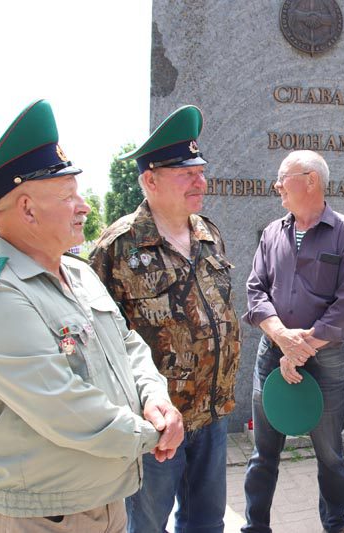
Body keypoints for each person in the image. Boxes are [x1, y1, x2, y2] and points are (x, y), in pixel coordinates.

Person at [0, 99, 183, 533]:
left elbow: (128, 345)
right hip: (37, 514)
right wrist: (155, 434)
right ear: (27, 209)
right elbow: (65, 407)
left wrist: (155, 398)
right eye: (68, 195)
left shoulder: (76, 272)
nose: (85, 206)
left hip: (99, 500)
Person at [90, 105, 241, 533]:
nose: (200, 180)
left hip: (211, 415)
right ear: (150, 180)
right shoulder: (117, 246)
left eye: (200, 170)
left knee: (207, 523)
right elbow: (98, 341)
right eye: (184, 172)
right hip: (155, 426)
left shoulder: (208, 233)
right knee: (147, 525)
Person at [242, 150, 344, 533]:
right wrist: (281, 338)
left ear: (310, 180)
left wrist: (303, 346)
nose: (277, 185)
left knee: (330, 454)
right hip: (272, 356)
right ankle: (255, 526)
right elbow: (255, 291)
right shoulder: (271, 233)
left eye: (283, 177)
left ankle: (336, 524)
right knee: (263, 454)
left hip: (326, 358)